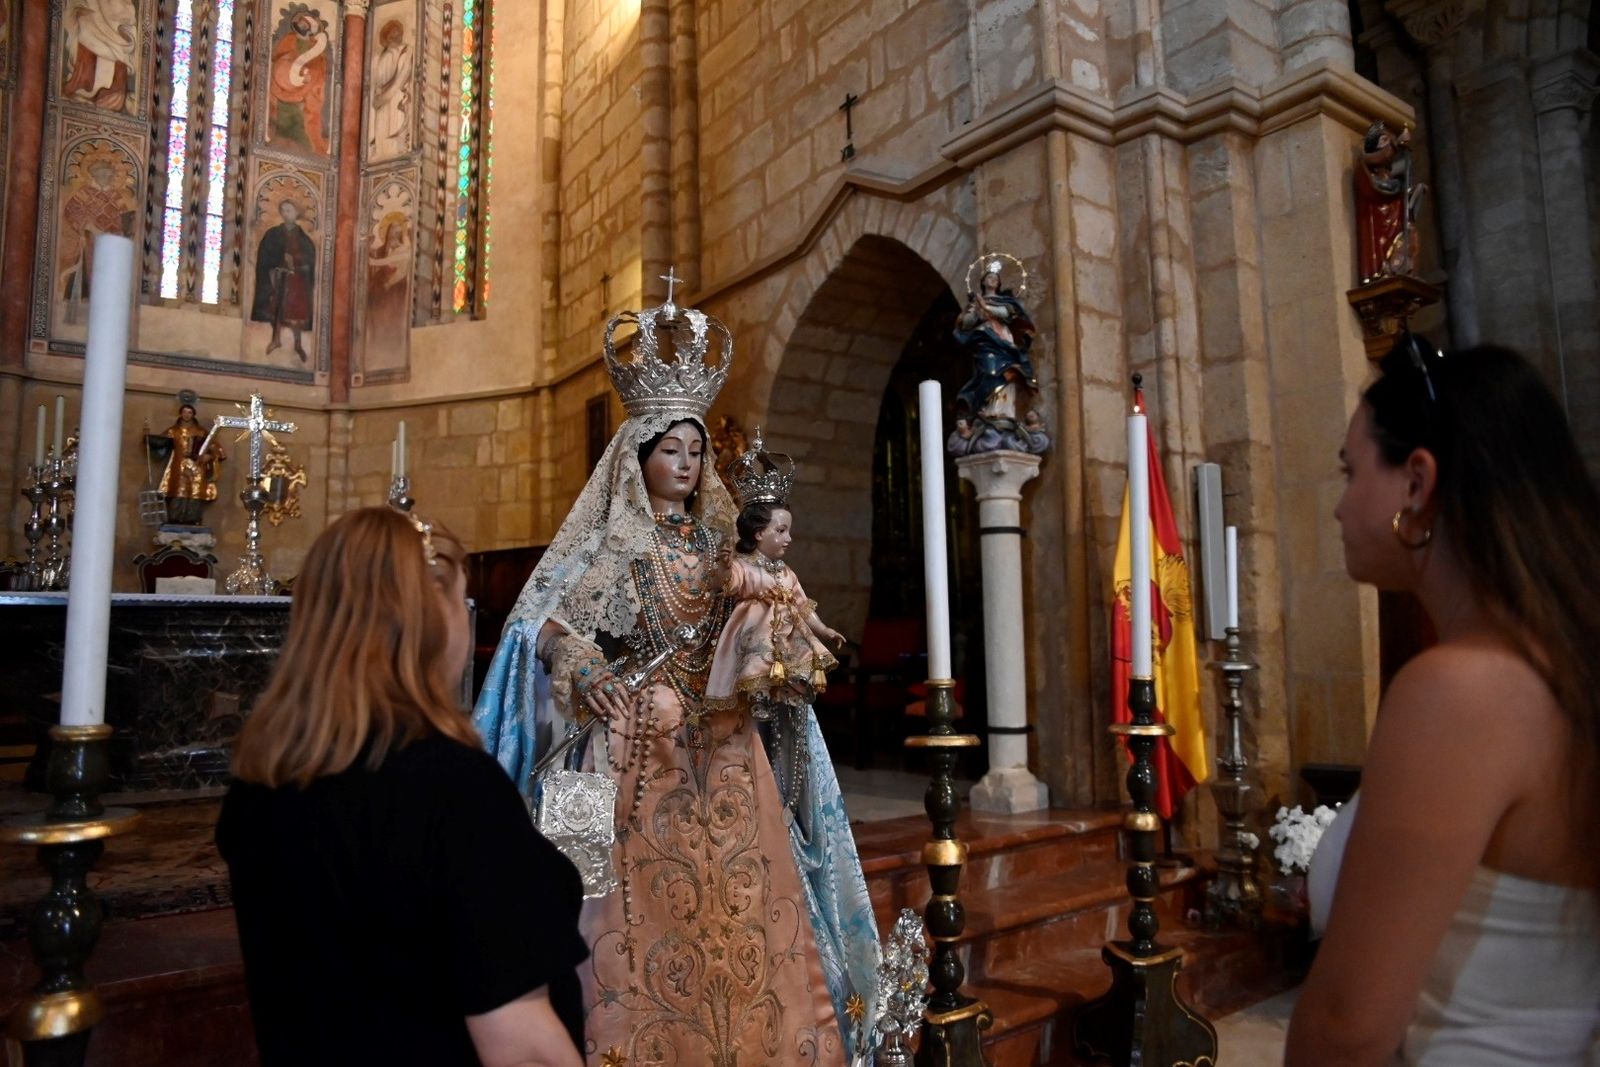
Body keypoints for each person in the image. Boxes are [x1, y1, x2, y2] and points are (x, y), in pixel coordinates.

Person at [473, 294, 880, 1064]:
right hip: (639, 734)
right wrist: (582, 659)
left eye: (696, 449)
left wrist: (782, 655)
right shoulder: (616, 536)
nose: (688, 463)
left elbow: (759, 609)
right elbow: (547, 619)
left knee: (750, 907)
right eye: (672, 449)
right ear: (639, 455)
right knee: (599, 876)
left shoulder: (724, 541)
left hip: (721, 736)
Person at [1285, 340, 1600, 1065]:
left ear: (1416, 483)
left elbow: (1347, 1025)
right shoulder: (1559, 664)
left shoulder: (1459, 691)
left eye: (1350, 469)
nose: (1337, 504)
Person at [218, 508, 586, 1067]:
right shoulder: (454, 789)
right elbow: (523, 1045)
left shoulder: (258, 784)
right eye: (462, 604)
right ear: (432, 618)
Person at [149, 392, 225, 526]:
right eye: (184, 412)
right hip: (179, 465)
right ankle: (175, 519)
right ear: (180, 414)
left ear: (193, 415)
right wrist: (149, 439)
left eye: (189, 412)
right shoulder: (173, 431)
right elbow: (161, 443)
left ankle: (193, 519)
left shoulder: (201, 432)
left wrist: (210, 455)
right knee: (178, 490)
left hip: (197, 466)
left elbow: (216, 449)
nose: (187, 415)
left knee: (194, 492)